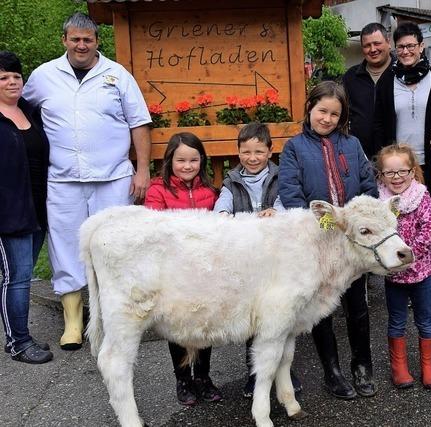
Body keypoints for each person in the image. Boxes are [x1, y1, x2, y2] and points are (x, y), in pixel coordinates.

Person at [23, 12, 152, 350]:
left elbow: (139, 123)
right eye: (75, 39)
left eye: (88, 39)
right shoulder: (43, 77)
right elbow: (19, 109)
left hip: (113, 177)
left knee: (116, 248)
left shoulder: (117, 75)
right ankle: (73, 322)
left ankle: (114, 319)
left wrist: (142, 170)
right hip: (63, 180)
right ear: (64, 40)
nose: (81, 45)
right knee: (65, 246)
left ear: (97, 41)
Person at [279, 81, 378, 399]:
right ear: (309, 108)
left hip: (352, 243)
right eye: (322, 110)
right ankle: (332, 373)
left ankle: (362, 367)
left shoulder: (352, 144)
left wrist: (357, 223)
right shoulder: (294, 148)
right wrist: (327, 224)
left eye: (335, 114)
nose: (327, 118)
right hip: (319, 242)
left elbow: (368, 184)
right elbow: (291, 192)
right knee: (321, 309)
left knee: (357, 306)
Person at [373, 21, 431, 308]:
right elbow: (379, 123)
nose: (407, 51)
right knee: (400, 224)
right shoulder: (387, 81)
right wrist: (382, 164)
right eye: (401, 47)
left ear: (422, 46)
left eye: (411, 45)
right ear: (395, 50)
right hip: (399, 170)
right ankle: (407, 275)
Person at [213, 122, 301, 398]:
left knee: (282, 318)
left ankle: (285, 372)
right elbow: (222, 205)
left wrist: (275, 211)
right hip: (248, 259)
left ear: (269, 151)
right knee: (253, 317)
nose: (252, 158)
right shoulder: (231, 180)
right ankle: (254, 373)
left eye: (258, 152)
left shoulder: (279, 176)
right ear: (238, 152)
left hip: (276, 258)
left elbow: (286, 202)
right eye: (246, 152)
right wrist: (224, 216)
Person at [144, 132, 221, 406]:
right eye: (181, 160)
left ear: (202, 161)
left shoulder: (210, 192)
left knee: (205, 324)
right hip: (174, 272)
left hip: (205, 271)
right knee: (178, 326)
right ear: (170, 161)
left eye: (193, 160)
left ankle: (203, 376)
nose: (187, 166)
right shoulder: (157, 190)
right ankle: (183, 379)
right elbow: (153, 229)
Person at [0, 51, 53, 364]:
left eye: (16, 77)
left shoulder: (29, 111)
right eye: (3, 78)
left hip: (36, 209)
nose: (11, 82)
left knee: (22, 273)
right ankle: (17, 342)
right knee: (16, 277)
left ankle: (22, 334)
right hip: (8, 213)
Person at [375, 144, 431, 389]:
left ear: (413, 172)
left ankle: (428, 366)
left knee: (425, 320)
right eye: (390, 173)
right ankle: (399, 367)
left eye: (402, 171)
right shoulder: (380, 200)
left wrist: (410, 253)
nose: (397, 177)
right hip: (394, 276)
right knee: (396, 320)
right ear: (381, 175)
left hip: (422, 272)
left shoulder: (420, 195)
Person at [342, 22, 392, 158]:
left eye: (377, 43)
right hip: (360, 155)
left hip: (397, 156)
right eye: (367, 45)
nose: (372, 49)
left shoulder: (400, 73)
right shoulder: (351, 76)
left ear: (388, 42)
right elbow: (342, 113)